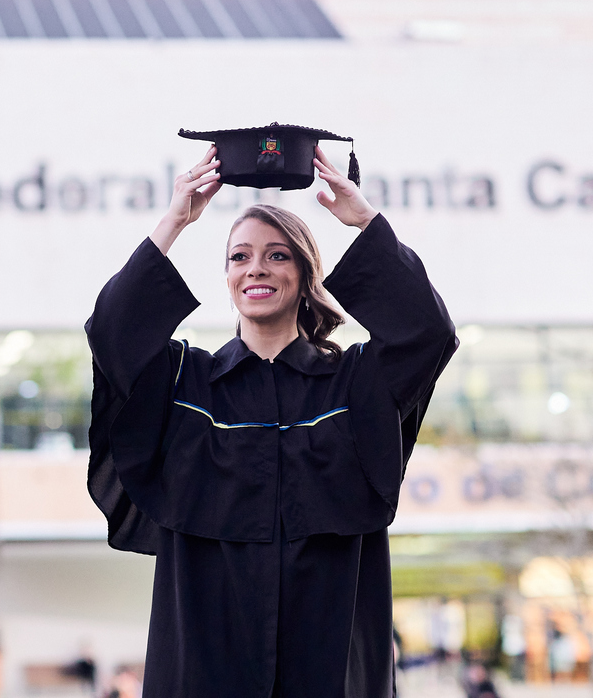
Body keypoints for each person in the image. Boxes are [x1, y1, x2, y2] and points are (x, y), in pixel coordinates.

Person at [85, 145, 457, 697]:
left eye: (277, 255)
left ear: (305, 274)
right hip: (206, 665)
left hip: (329, 662)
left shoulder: (354, 385)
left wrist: (364, 221)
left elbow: (427, 334)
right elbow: (113, 335)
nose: (255, 267)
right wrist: (174, 221)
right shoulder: (186, 386)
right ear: (228, 277)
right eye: (239, 257)